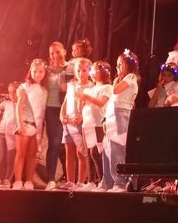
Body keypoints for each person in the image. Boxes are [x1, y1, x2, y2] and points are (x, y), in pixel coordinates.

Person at [94, 49, 139, 192]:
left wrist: (116, 81)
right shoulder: (120, 80)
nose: (118, 67)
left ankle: (120, 182)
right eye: (117, 64)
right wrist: (105, 119)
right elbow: (113, 100)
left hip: (121, 115)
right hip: (112, 114)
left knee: (117, 149)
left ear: (130, 65)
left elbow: (116, 90)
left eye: (121, 64)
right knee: (107, 148)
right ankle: (106, 182)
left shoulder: (131, 77)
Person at [13, 59, 48, 190]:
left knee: (32, 155)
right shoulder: (25, 87)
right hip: (25, 123)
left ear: (45, 73)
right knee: (20, 153)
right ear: (30, 72)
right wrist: (20, 123)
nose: (38, 74)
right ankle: (17, 181)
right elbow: (19, 106)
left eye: (41, 71)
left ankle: (29, 181)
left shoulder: (45, 90)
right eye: (35, 71)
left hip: (37, 126)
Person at [78, 61, 112, 190]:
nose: (92, 73)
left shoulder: (107, 88)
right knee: (88, 154)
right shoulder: (91, 89)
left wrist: (87, 97)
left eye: (96, 70)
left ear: (104, 72)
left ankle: (103, 180)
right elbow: (82, 108)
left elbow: (101, 103)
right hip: (87, 124)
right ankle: (91, 181)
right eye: (92, 70)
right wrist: (81, 100)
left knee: (96, 153)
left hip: (98, 124)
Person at [60, 58, 93, 190]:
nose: (81, 73)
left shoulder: (91, 86)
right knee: (69, 152)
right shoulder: (71, 85)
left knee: (81, 152)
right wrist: (61, 114)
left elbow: (91, 105)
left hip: (81, 123)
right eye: (78, 71)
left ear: (89, 71)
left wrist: (82, 117)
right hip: (68, 122)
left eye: (84, 70)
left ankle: (80, 182)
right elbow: (66, 101)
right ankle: (70, 181)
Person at [45, 41, 68, 190]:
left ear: (64, 51)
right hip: (52, 109)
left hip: (68, 109)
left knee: (68, 145)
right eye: (52, 53)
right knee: (54, 143)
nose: (55, 55)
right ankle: (51, 179)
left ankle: (70, 178)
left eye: (57, 52)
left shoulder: (71, 68)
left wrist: (67, 89)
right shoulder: (47, 70)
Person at [0, 81, 19, 189]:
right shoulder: (6, 103)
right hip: (1, 134)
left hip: (13, 136)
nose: (12, 95)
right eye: (10, 92)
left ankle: (7, 180)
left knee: (10, 160)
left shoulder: (23, 105)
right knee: (0, 159)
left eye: (14, 92)